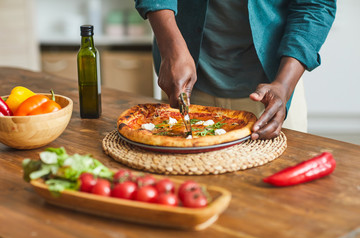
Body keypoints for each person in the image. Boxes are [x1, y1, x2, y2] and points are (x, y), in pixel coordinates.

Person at [134, 0, 336, 140]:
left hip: (276, 89)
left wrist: (284, 84)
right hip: (186, 82)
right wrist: (171, 48)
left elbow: (315, 4)